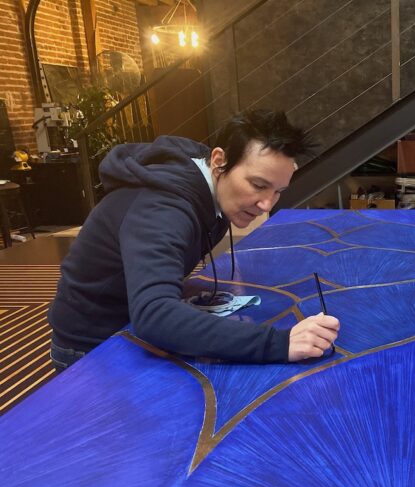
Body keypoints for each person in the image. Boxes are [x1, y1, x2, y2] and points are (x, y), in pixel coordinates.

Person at [48, 109, 339, 372]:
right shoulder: (162, 209)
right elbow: (154, 315)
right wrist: (279, 343)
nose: (266, 204)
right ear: (218, 161)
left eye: (278, 191)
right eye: (258, 185)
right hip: (91, 344)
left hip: (128, 322)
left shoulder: (217, 189)